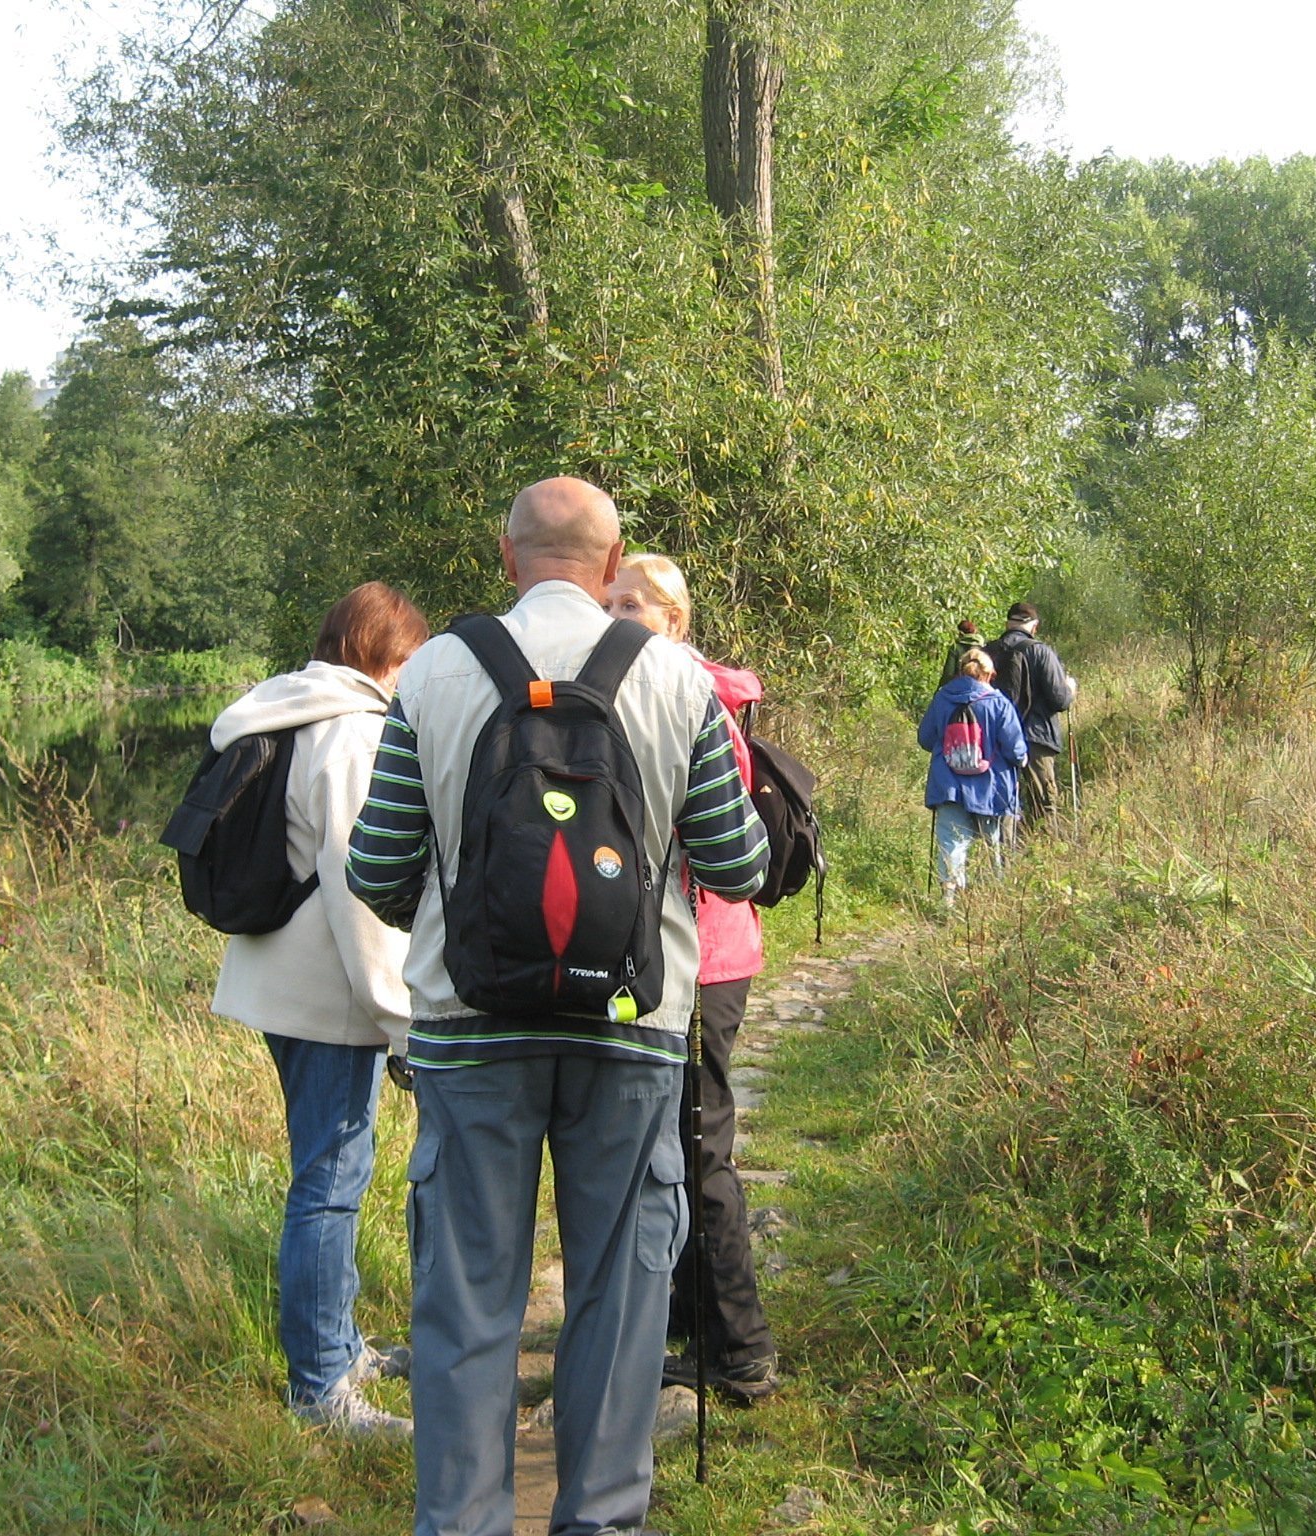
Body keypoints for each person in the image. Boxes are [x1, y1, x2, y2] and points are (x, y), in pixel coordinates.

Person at [346, 479, 770, 1536]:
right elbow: (737, 861)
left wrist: (457, 917)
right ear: (612, 554)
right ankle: (600, 1520)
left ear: (505, 556)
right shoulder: (676, 680)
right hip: (631, 1032)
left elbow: (377, 867)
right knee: (619, 1302)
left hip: (467, 1034)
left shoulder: (437, 672)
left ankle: (463, 1521)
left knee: (467, 1301)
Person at [208, 581, 431, 1439]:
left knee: (326, 1173)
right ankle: (322, 1390)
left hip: (277, 977)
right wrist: (400, 1018)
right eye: (410, 658)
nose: (414, 676)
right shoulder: (353, 733)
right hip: (328, 993)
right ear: (383, 654)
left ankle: (340, 1345)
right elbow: (359, 893)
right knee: (331, 1185)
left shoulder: (281, 707)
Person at [603, 553, 780, 1404]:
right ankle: (687, 1319)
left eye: (634, 602)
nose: (618, 613)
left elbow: (724, 845)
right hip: (676, 954)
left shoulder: (693, 697)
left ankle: (742, 1350)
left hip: (704, 958)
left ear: (674, 618)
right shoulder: (646, 688)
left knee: (699, 1148)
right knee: (670, 1139)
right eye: (611, 600)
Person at [918, 648, 1026, 900]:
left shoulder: (942, 698)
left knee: (951, 843)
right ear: (989, 675)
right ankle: (992, 900)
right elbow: (1015, 749)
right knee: (992, 845)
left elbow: (925, 738)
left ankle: (949, 901)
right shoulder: (998, 703)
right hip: (991, 788)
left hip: (948, 785)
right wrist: (1021, 759)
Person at [989, 601, 1076, 825]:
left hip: (994, 739)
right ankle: (1043, 852)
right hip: (1035, 737)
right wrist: (1070, 688)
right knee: (1043, 803)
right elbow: (1060, 700)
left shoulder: (987, 652)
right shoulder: (1041, 652)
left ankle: (1000, 855)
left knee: (1000, 802)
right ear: (1034, 627)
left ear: (1008, 623)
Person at [938, 616, 986, 686]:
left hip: (959, 685)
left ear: (960, 633)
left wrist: (941, 688)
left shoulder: (955, 647)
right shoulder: (983, 646)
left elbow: (948, 673)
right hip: (978, 685)